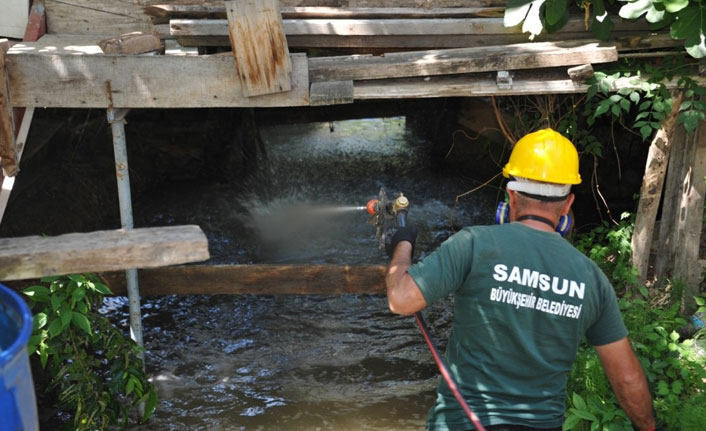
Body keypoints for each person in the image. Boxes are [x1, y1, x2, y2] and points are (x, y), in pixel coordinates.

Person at [384, 128, 657, 431]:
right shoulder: (591, 277)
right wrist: (649, 428)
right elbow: (627, 378)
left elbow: (401, 299)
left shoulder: (474, 243)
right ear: (567, 205)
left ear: (511, 197)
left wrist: (403, 243)